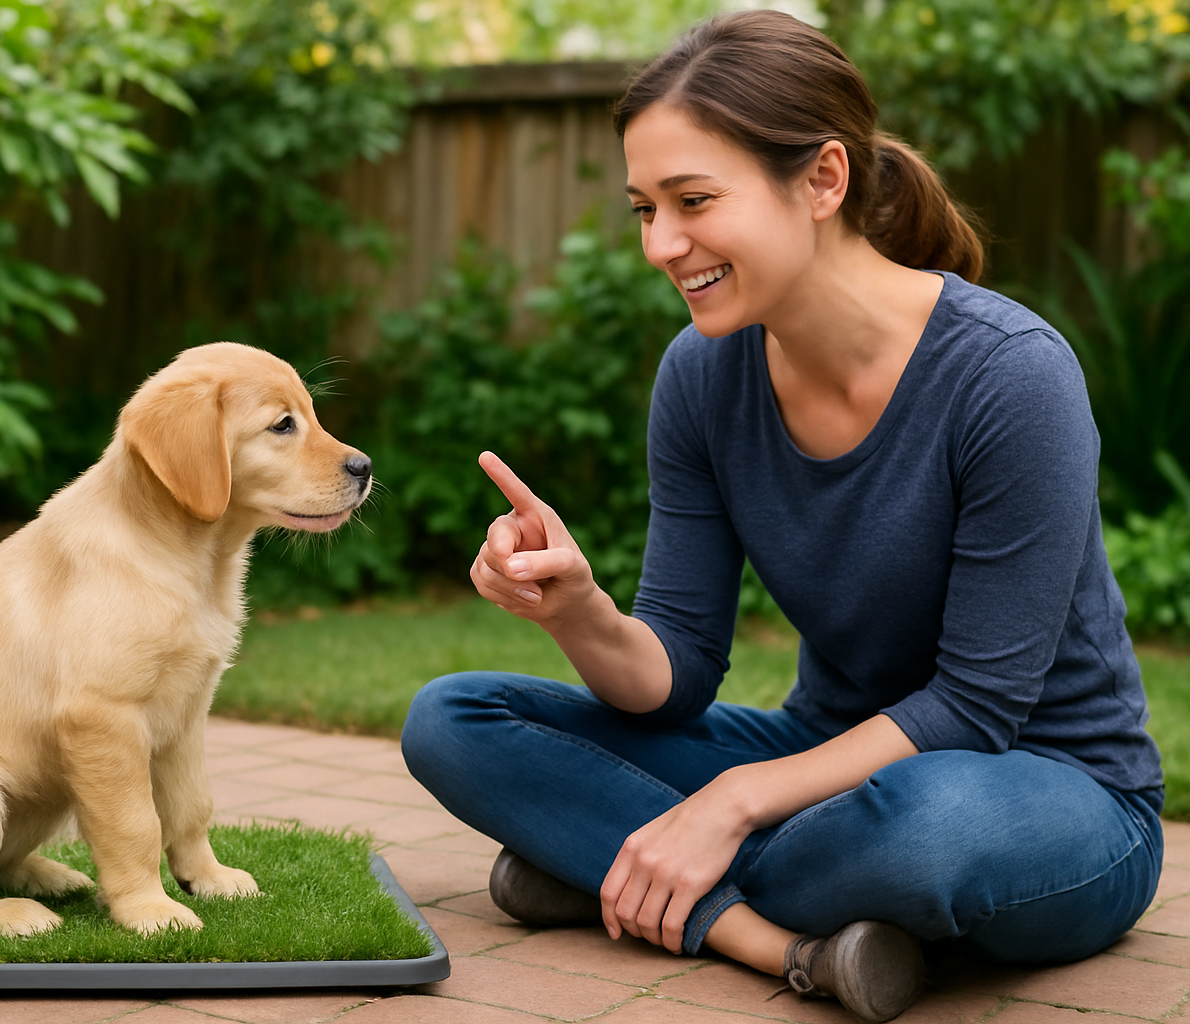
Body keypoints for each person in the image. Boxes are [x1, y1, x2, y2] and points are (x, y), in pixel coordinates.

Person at [398, 10, 1164, 1023]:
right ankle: (760, 933)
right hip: (825, 761)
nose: (661, 243)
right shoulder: (704, 376)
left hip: (1044, 789)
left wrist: (729, 802)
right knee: (454, 720)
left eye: (693, 200)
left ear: (823, 181)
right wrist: (575, 608)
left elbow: (977, 710)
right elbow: (676, 675)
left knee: (925, 830)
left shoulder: (1010, 377)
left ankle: (613, 867)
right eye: (643, 209)